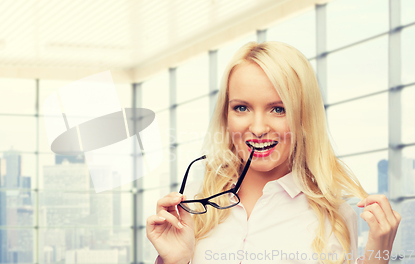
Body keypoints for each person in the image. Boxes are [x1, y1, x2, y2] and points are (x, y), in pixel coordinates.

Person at [146, 41, 401, 264]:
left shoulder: (334, 219)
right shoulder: (194, 206)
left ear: (304, 117)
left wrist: (376, 259)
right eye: (242, 107)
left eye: (278, 109)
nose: (257, 128)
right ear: (225, 114)